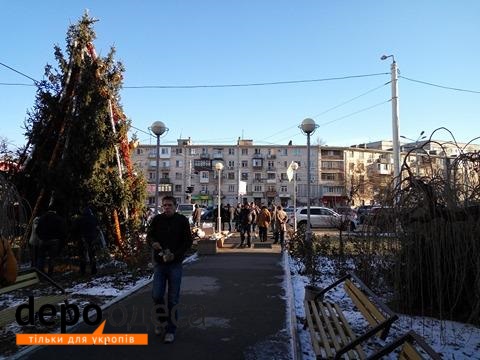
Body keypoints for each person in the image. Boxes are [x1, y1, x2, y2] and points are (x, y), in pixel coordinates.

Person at [147, 195, 193, 343]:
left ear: (175, 206)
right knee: (156, 295)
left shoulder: (182, 221)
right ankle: (162, 321)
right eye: (164, 205)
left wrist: (175, 255)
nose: (166, 208)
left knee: (173, 299)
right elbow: (150, 236)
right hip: (160, 264)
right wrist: (153, 242)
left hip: (175, 264)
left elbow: (188, 242)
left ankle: (170, 330)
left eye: (169, 205)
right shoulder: (157, 220)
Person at [35, 203, 67, 274]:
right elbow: (62, 230)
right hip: (54, 240)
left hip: (43, 240)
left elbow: (37, 230)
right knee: (52, 257)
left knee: (41, 257)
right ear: (55, 211)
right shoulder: (58, 218)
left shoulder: (42, 218)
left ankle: (39, 272)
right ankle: (50, 273)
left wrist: (41, 237)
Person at [73, 207, 100, 275]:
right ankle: (94, 270)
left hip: (83, 239)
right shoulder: (94, 218)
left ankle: (83, 270)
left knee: (82, 255)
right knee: (92, 255)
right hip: (92, 238)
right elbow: (97, 228)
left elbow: (75, 229)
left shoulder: (79, 219)